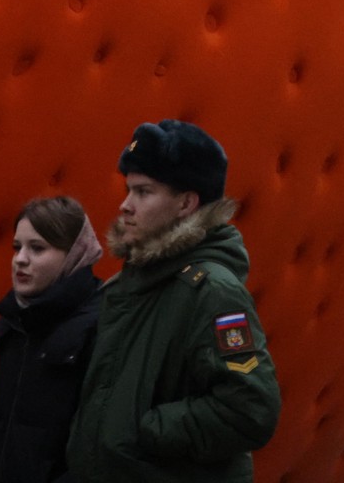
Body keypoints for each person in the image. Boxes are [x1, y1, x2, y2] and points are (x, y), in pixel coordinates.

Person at [66, 120, 281, 482]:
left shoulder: (213, 292)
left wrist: (147, 429)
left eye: (143, 192)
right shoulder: (130, 284)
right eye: (128, 190)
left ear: (186, 203)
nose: (125, 205)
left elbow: (250, 409)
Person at [0, 196, 105, 482]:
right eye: (17, 247)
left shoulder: (101, 324)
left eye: (37, 248)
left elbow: (97, 448)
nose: (20, 259)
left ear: (75, 254)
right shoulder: (14, 322)